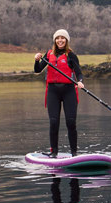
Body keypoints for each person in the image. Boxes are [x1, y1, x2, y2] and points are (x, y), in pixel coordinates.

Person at [34, 29, 84, 158]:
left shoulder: (71, 55)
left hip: (69, 91)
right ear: (55, 40)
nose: (60, 40)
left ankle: (74, 153)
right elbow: (37, 70)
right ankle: (54, 152)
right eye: (57, 38)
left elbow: (79, 72)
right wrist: (36, 60)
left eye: (62, 38)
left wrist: (80, 81)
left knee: (71, 122)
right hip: (53, 92)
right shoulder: (49, 54)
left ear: (66, 40)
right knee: (54, 122)